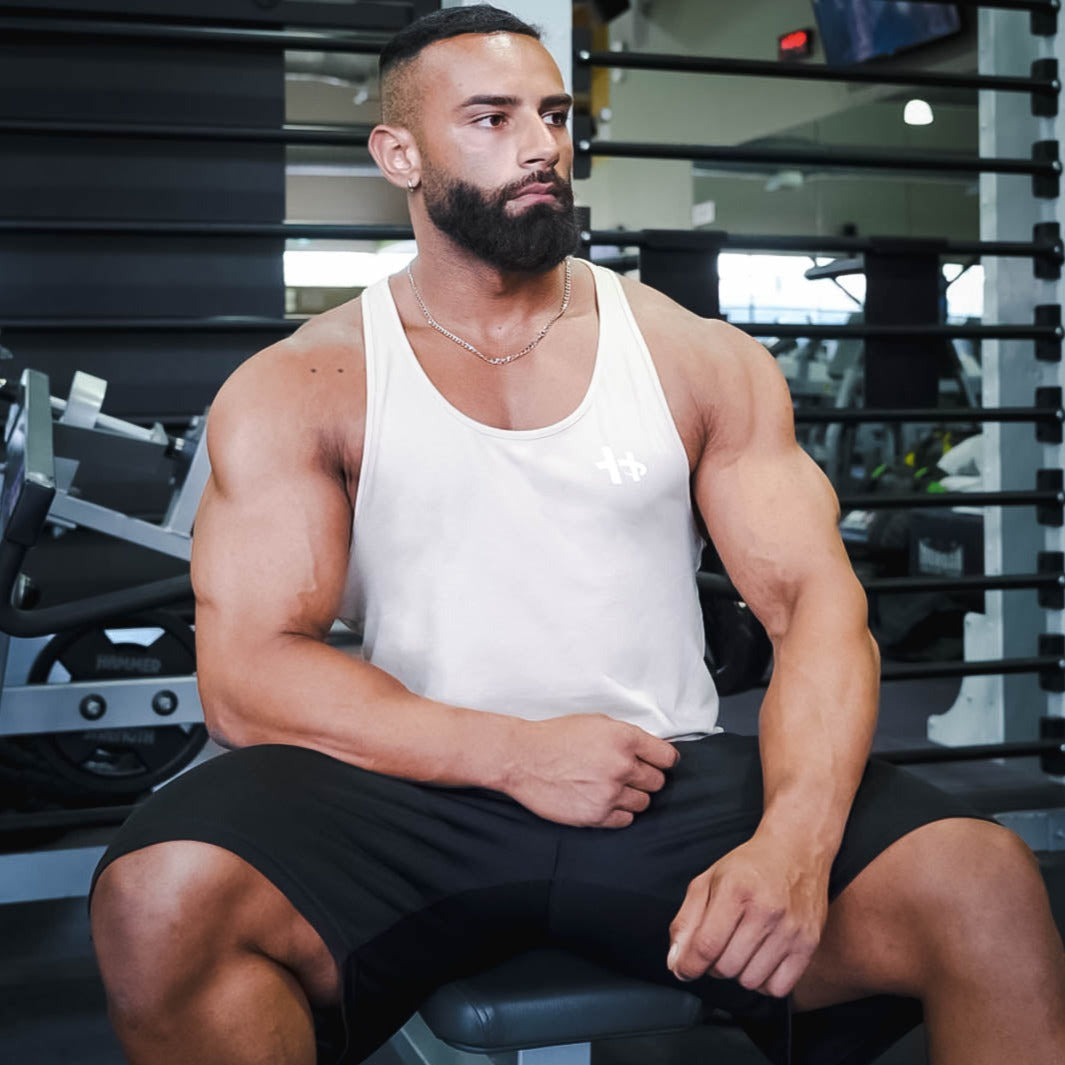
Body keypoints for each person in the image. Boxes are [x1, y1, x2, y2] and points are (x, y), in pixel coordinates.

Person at [88, 7, 1065, 1065]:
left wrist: (794, 842)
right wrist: (517, 755)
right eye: (492, 118)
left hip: (667, 775)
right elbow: (247, 676)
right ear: (399, 154)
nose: (542, 143)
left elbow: (816, 607)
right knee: (160, 897)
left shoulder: (695, 357)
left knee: (983, 886)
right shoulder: (305, 383)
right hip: (411, 789)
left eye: (552, 113)